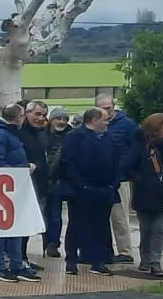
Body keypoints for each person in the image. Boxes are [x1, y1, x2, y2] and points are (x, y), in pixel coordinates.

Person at [0, 103, 41, 283]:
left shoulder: (6, 132)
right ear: (18, 117)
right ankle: (0, 266)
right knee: (1, 227)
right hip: (2, 187)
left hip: (11, 187)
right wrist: (22, 169)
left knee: (15, 226)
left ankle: (16, 264)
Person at [58, 106, 121, 276]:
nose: (108, 123)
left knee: (101, 227)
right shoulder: (75, 137)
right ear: (94, 120)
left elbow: (116, 162)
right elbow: (67, 163)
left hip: (105, 189)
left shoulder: (109, 138)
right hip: (81, 191)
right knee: (77, 225)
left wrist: (113, 184)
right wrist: (81, 185)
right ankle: (71, 261)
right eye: (105, 119)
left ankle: (98, 261)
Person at [131, 113, 163, 279]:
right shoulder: (141, 146)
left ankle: (155, 262)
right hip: (145, 194)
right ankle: (145, 259)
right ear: (156, 127)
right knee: (146, 228)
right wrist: (142, 180)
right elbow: (127, 166)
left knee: (159, 229)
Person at [98, 94, 141, 264]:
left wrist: (127, 168)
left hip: (121, 177)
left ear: (114, 106)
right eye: (102, 108)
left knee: (119, 216)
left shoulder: (127, 125)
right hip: (101, 177)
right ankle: (104, 249)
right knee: (101, 217)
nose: (105, 112)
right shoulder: (97, 123)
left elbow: (135, 149)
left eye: (108, 108)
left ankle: (125, 251)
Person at [17, 100, 55, 262]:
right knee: (21, 222)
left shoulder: (43, 133)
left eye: (44, 115)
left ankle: (22, 257)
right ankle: (18, 257)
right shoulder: (19, 133)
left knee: (30, 222)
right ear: (27, 113)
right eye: (37, 114)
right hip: (23, 184)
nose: (40, 118)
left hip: (39, 183)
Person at [41, 106, 74, 258]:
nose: (62, 122)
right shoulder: (42, 134)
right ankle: (46, 241)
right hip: (43, 178)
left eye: (64, 119)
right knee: (44, 213)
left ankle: (53, 243)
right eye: (58, 118)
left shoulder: (71, 136)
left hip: (61, 180)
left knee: (55, 214)